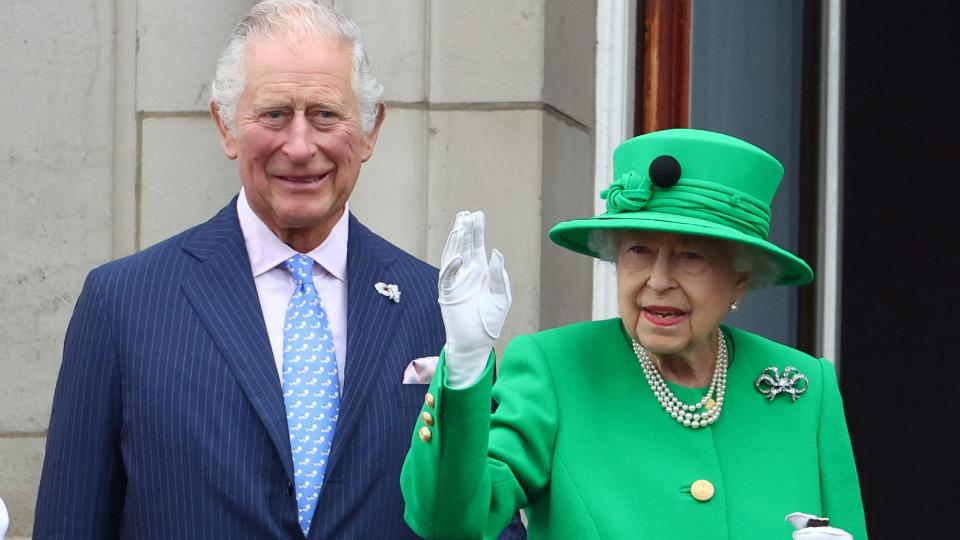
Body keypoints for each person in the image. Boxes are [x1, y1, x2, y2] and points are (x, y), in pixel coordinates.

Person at [34, 2, 523, 538]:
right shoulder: (122, 304)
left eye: (325, 114)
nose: (299, 145)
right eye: (273, 114)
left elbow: (484, 525)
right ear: (225, 126)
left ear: (369, 130)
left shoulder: (441, 310)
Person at [401, 129, 868, 539]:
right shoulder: (558, 368)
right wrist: (464, 362)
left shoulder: (805, 387)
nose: (658, 280)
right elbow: (450, 521)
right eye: (639, 250)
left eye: (691, 256)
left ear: (741, 279)